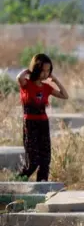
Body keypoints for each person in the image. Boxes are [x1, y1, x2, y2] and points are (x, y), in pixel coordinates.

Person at [16, 54, 69, 182]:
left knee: (45, 159)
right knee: (33, 161)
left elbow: (64, 95)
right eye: (42, 70)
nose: (45, 74)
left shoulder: (46, 88)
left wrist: (55, 80)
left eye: (48, 71)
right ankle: (17, 181)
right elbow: (19, 77)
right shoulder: (26, 84)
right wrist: (29, 71)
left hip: (43, 124)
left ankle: (42, 186)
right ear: (36, 69)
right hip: (30, 124)